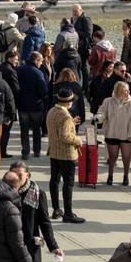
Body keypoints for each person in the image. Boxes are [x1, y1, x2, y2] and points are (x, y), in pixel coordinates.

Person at [8, 161, 64, 262]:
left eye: (20, 175)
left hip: (29, 244)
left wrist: (53, 246)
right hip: (9, 243)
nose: (17, 178)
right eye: (14, 175)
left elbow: (44, 222)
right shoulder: (4, 193)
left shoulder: (38, 194)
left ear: (28, 175)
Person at [45, 90, 85, 223]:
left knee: (54, 180)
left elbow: (57, 129)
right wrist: (78, 140)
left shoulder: (52, 111)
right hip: (67, 154)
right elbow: (65, 136)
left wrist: (71, 123)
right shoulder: (65, 116)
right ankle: (68, 213)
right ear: (68, 102)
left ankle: (56, 209)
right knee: (68, 184)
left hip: (54, 152)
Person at [98, 79, 131, 185]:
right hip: (112, 133)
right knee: (112, 157)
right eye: (125, 91)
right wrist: (98, 118)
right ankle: (110, 176)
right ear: (118, 91)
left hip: (126, 135)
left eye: (128, 90)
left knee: (126, 157)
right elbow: (102, 112)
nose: (128, 93)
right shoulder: (108, 101)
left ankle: (126, 176)